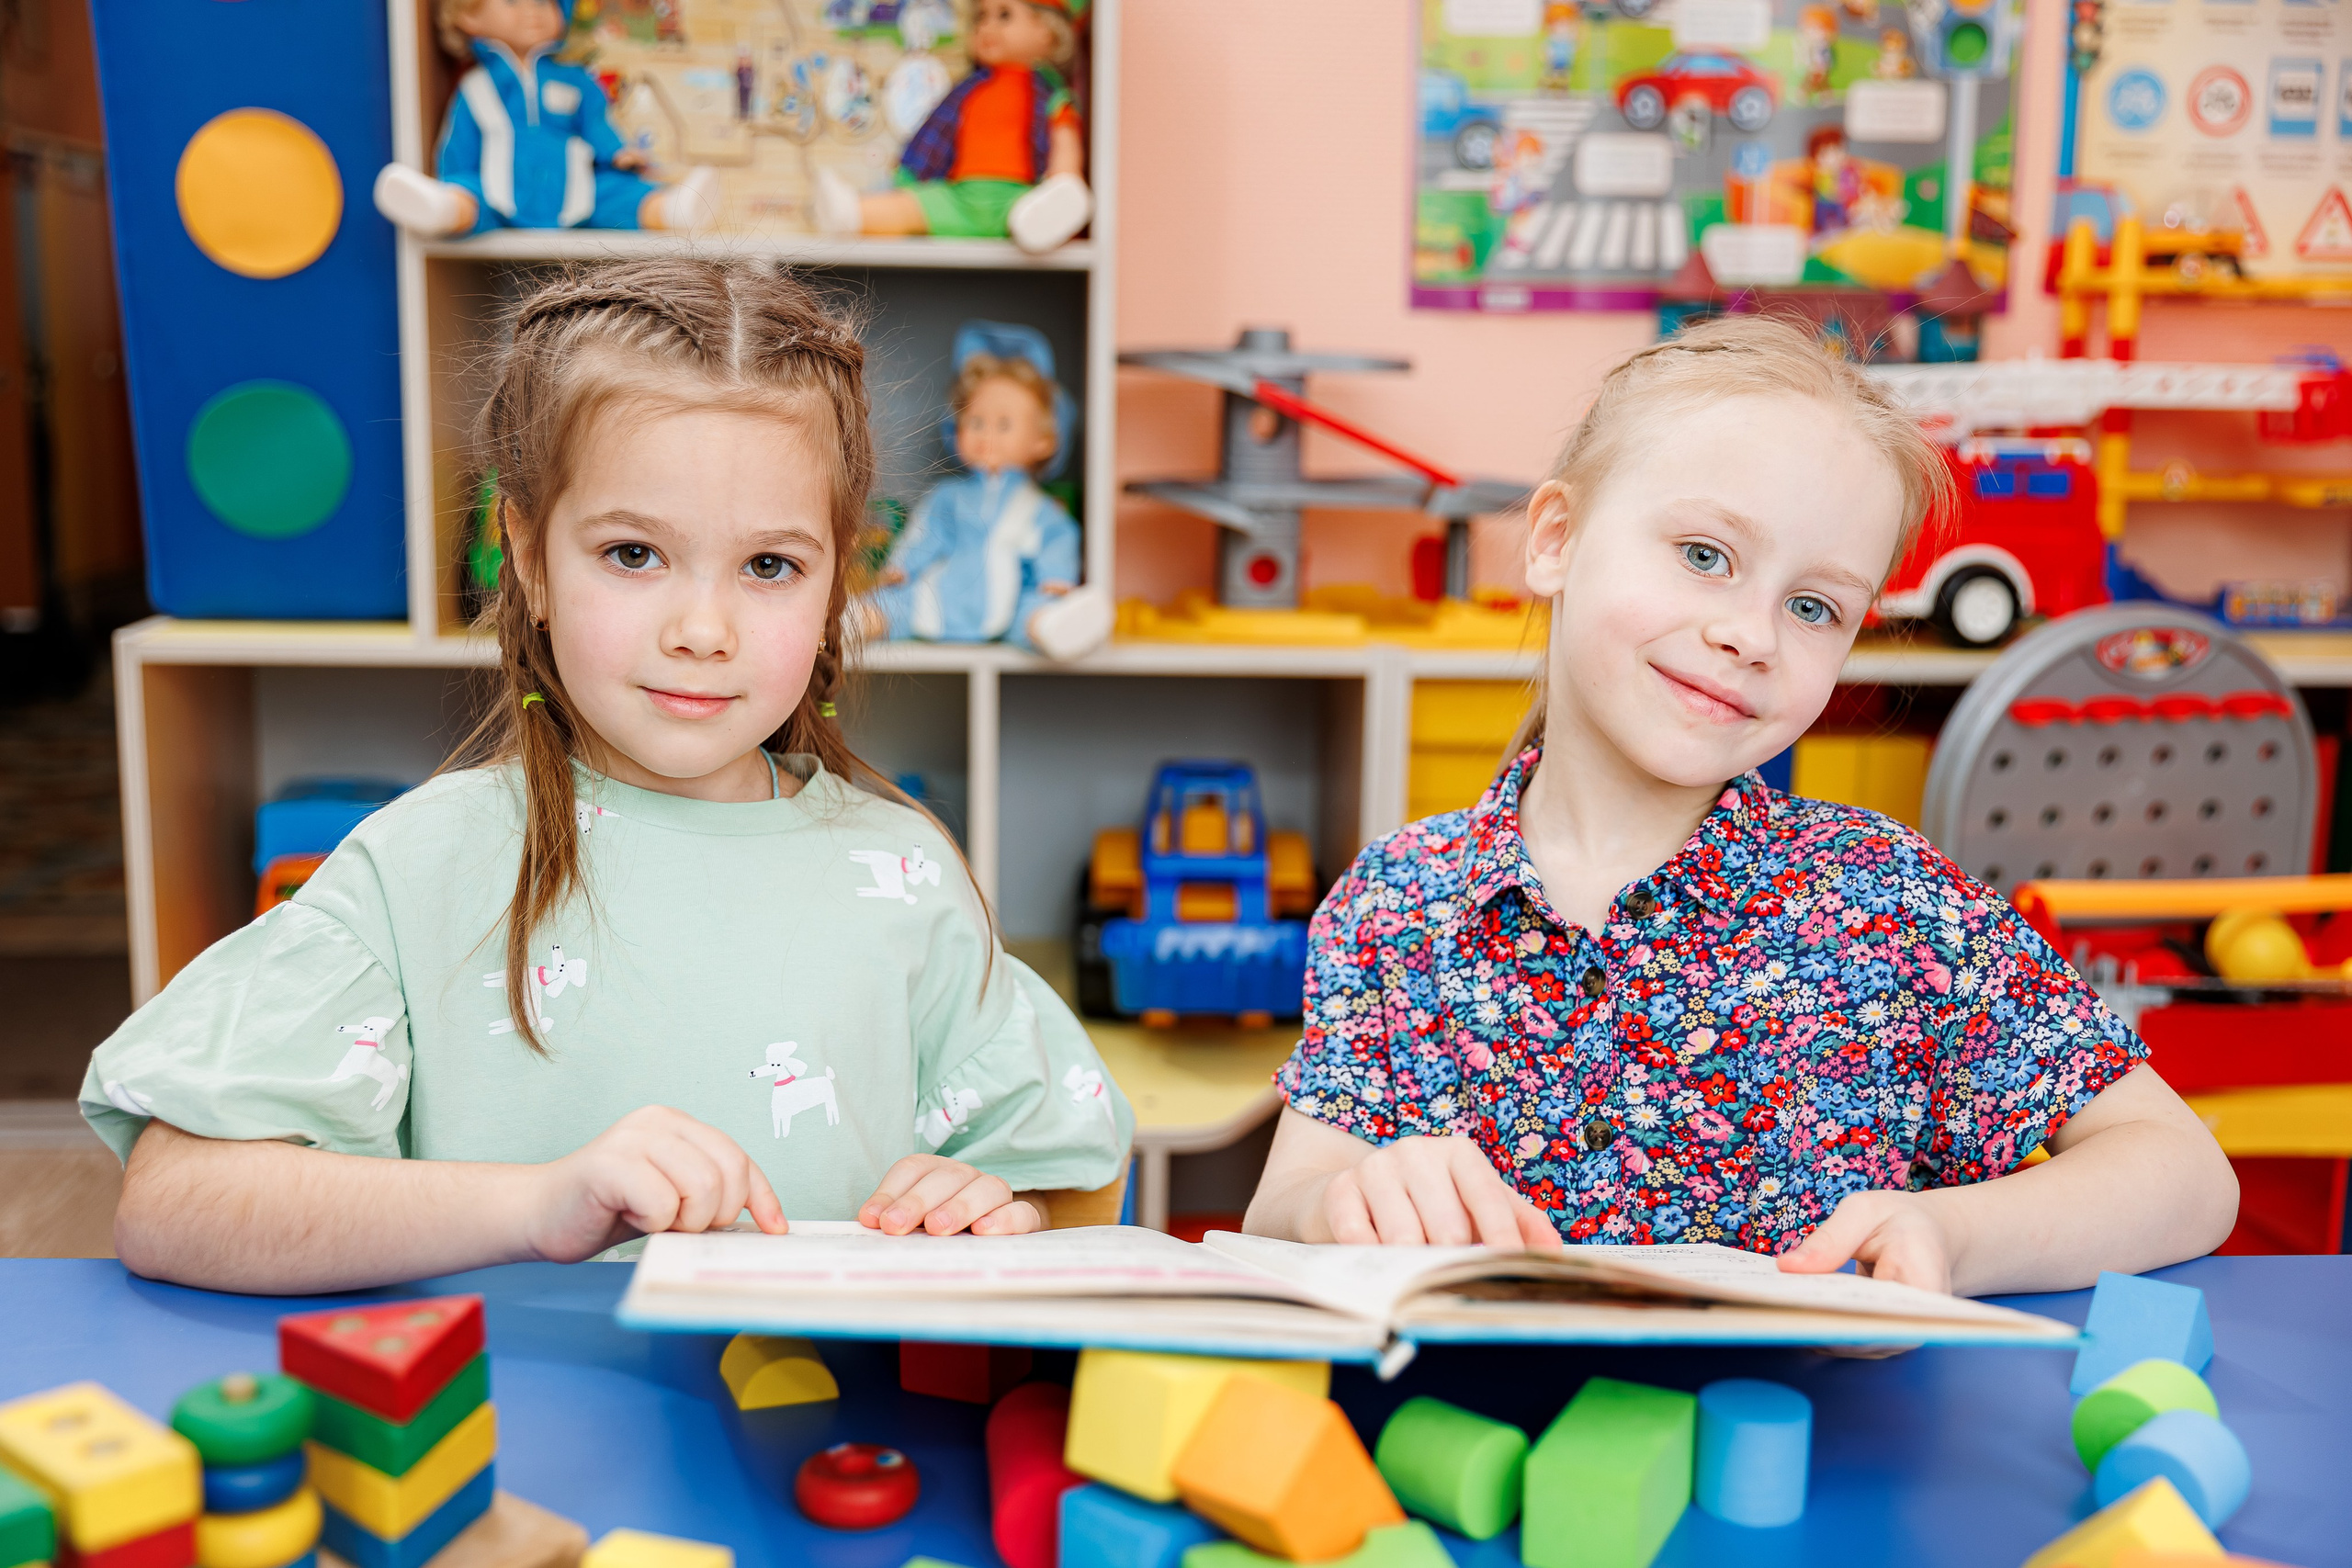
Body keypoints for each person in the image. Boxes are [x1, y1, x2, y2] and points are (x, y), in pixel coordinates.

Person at [86, 258, 1133, 1294]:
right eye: (634, 554)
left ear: (835, 583)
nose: (702, 630)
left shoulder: (905, 874)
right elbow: (172, 1201)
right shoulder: (419, 868)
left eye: (770, 566)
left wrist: (1002, 1209)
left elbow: (1077, 1177)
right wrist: (536, 1206)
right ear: (528, 557)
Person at [1242, 316, 2237, 1297]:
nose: (1751, 636)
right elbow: (1278, 1207)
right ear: (1555, 540)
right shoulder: (1395, 900)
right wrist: (1342, 1203)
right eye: (1705, 555)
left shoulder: (1890, 900)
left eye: (1813, 608)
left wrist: (1952, 1231)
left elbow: (2186, 1175)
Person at [373, 0, 718, 238]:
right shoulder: (477, 87)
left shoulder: (575, 80)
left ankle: (671, 210)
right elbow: (460, 142)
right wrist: (453, 180)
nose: (532, 12)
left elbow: (596, 124)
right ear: (469, 16)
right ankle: (442, 208)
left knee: (616, 196)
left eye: (543, 2)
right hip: (498, 191)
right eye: (512, 2)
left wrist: (616, 152)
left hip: (574, 190)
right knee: (469, 195)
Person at [863, 336, 1107, 658]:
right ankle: (857, 621)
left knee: (1033, 608)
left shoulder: (1039, 508)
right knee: (894, 603)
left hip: (1008, 601)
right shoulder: (947, 496)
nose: (986, 434)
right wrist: (902, 566)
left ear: (1043, 441)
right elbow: (925, 533)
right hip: (942, 595)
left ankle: (1052, 626)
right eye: (975, 422)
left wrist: (1056, 577)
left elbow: (1057, 539)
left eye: (1004, 425)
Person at [811, 0, 1092, 254]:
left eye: (1004, 15)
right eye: (981, 18)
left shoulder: (1050, 95)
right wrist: (909, 176)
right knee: (916, 206)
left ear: (1047, 32)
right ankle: (852, 212)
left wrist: (1064, 179)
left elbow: (1064, 141)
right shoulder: (967, 92)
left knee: (1034, 214)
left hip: (1018, 198)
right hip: (960, 197)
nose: (987, 27)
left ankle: (1048, 216)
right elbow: (936, 136)